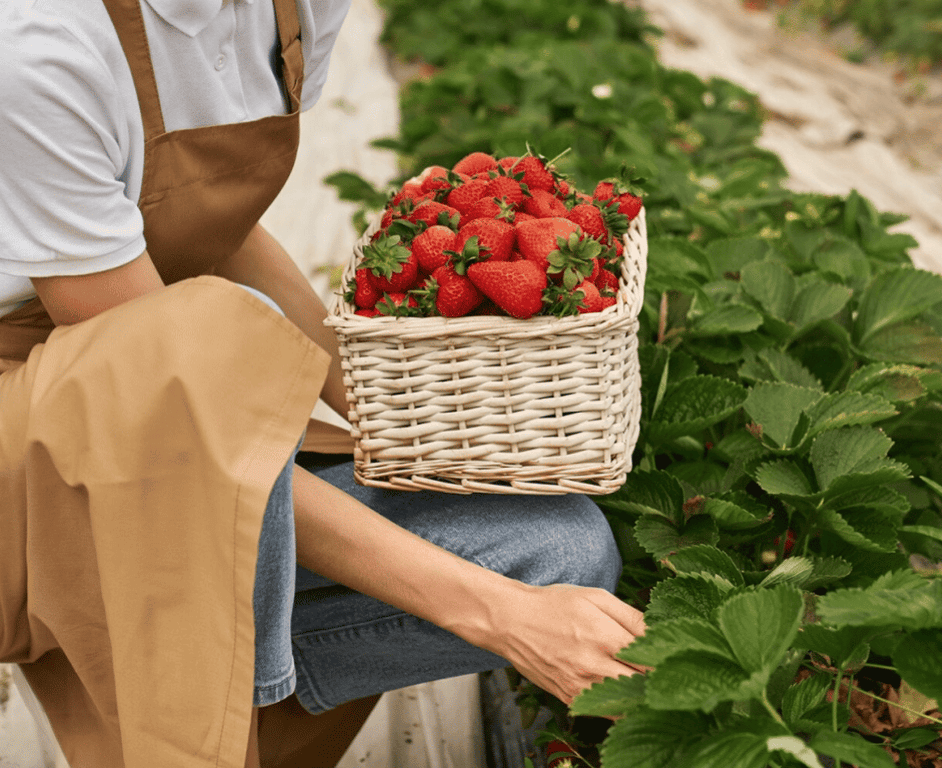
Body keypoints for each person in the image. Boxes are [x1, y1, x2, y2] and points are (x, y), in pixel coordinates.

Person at [0, 0, 646, 766]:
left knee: (553, 550)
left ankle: (214, 712)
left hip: (179, 396)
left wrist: (394, 425)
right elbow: (171, 410)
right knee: (199, 336)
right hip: (42, 447)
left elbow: (215, 230)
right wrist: (501, 616)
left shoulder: (294, 9)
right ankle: (167, 710)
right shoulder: (42, 49)